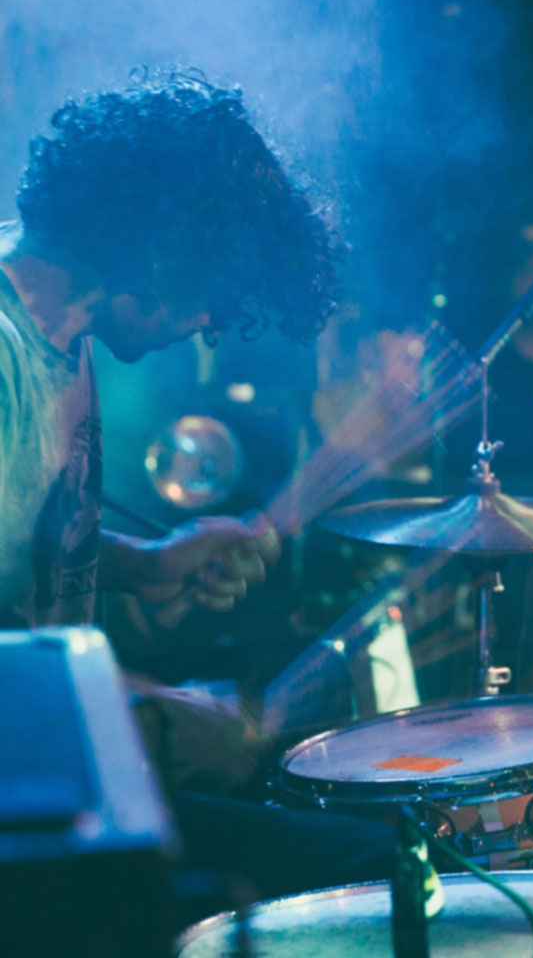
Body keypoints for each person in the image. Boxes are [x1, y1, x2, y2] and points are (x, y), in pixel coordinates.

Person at [0, 71, 394, 923]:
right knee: (371, 875)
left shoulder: (65, 328)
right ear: (163, 252)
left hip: (52, 797)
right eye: (215, 294)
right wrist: (146, 713)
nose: (213, 325)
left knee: (366, 846)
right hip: (23, 826)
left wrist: (142, 564)